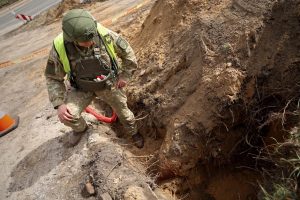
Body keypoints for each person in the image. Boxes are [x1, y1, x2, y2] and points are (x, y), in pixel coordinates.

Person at [44, 9, 144, 148]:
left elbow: (128, 55)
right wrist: (59, 104)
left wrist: (125, 76)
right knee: (68, 116)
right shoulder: (60, 47)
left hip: (108, 84)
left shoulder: (104, 34)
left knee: (125, 114)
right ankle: (81, 129)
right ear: (72, 39)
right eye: (85, 41)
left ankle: (134, 133)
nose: (91, 42)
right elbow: (53, 77)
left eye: (92, 38)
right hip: (81, 89)